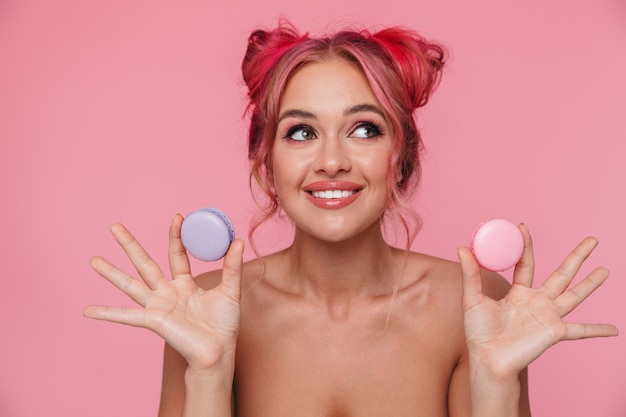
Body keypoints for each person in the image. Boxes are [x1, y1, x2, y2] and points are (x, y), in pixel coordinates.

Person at [84, 21, 618, 417]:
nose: (332, 159)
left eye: (364, 129)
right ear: (266, 161)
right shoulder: (200, 309)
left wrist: (498, 387)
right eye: (301, 132)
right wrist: (205, 377)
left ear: (402, 156)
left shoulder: (474, 302)